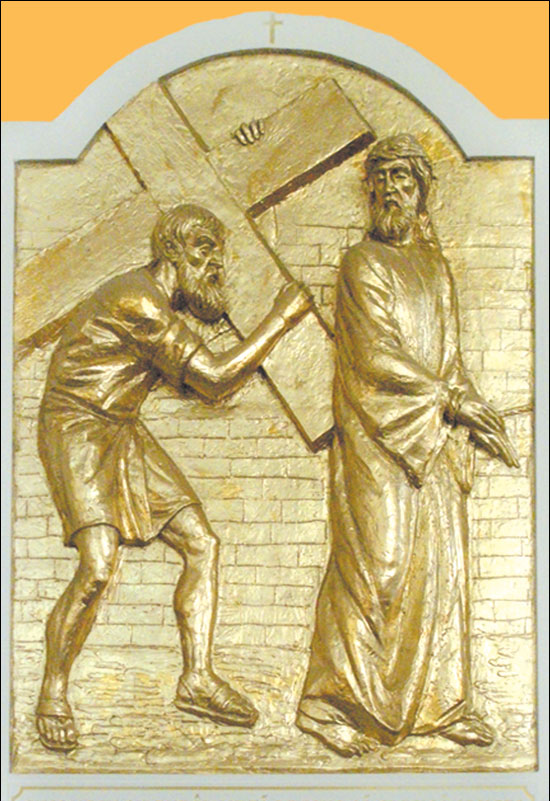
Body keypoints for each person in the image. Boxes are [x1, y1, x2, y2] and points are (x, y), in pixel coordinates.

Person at [36, 202, 311, 751]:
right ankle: (52, 692)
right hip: (76, 425)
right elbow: (214, 378)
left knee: (201, 542)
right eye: (204, 251)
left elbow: (192, 382)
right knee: (97, 567)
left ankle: (197, 679)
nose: (215, 266)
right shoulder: (138, 300)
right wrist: (282, 318)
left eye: (218, 254)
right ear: (172, 251)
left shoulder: (156, 305)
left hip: (120, 426)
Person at [296, 134, 518, 758]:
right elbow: (373, 355)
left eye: (405, 179)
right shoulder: (361, 263)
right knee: (378, 568)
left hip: (434, 437)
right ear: (369, 191)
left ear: (422, 192)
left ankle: (440, 705)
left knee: (440, 568)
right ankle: (327, 704)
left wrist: (473, 411)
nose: (393, 190)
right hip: (378, 437)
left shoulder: (436, 269)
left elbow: (449, 357)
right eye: (383, 179)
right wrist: (448, 399)